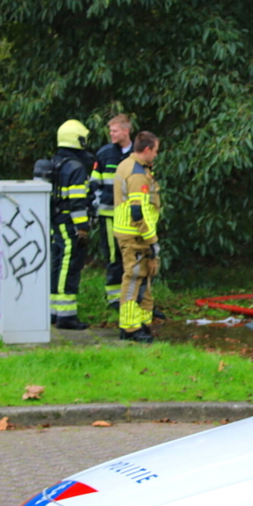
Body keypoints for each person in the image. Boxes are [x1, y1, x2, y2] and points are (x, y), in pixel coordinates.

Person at [112, 130, 161, 343]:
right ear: (147, 149)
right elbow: (137, 211)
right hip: (135, 235)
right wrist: (152, 241)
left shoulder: (130, 165)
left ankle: (140, 323)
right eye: (156, 151)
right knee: (133, 279)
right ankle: (131, 328)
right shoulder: (137, 173)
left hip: (133, 233)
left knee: (143, 279)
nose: (156, 156)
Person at [50, 119, 94, 330]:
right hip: (69, 224)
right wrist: (82, 228)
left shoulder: (55, 163)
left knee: (57, 265)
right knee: (69, 266)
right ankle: (66, 316)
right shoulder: (76, 167)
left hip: (56, 222)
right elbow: (77, 201)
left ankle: (53, 311)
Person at [91, 113, 133, 310]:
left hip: (132, 216)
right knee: (113, 257)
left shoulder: (138, 153)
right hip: (109, 215)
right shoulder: (105, 153)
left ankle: (132, 297)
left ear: (126, 131)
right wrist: (98, 205)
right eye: (110, 131)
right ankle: (115, 300)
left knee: (132, 256)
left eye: (114, 130)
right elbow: (94, 184)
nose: (111, 134)